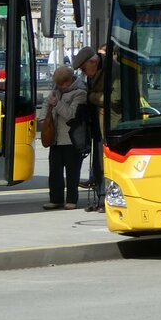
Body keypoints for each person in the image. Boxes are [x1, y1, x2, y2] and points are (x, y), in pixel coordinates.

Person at [43, 65, 88, 210]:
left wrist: (57, 104)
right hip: (55, 139)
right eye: (58, 84)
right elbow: (45, 108)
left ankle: (71, 199)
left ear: (70, 80)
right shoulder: (55, 91)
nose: (61, 87)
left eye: (63, 83)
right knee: (54, 171)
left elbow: (72, 115)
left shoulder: (80, 93)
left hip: (71, 139)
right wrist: (45, 116)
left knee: (72, 172)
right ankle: (55, 198)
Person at [72, 45, 106, 211]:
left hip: (108, 127)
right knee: (98, 164)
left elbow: (116, 98)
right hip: (96, 127)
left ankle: (106, 198)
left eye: (85, 69)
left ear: (93, 61)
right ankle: (100, 198)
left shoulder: (111, 70)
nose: (85, 73)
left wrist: (90, 97)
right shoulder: (92, 75)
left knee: (107, 164)